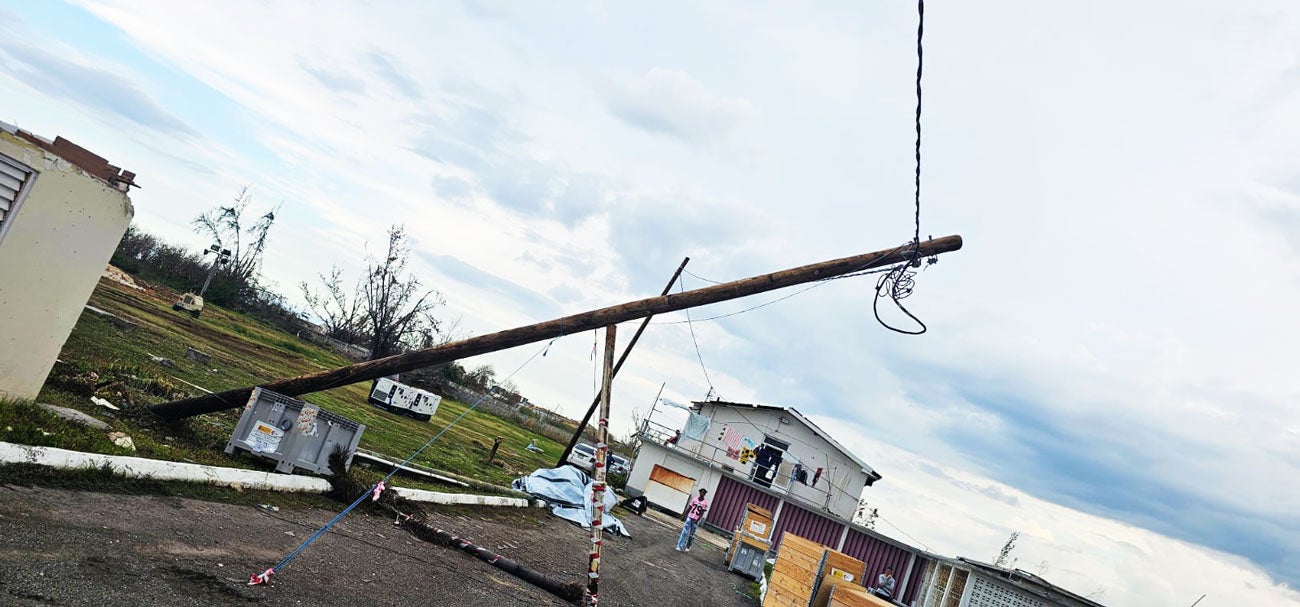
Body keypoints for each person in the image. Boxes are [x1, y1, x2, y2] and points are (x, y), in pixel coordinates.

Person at [676, 488, 709, 552]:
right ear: (699, 492)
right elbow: (689, 508)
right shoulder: (694, 499)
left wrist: (697, 520)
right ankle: (679, 546)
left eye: (704, 493)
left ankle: (688, 546)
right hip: (690, 517)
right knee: (684, 532)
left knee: (691, 534)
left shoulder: (704, 503)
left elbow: (702, 513)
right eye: (701, 492)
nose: (702, 493)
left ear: (705, 494)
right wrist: (684, 515)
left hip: (696, 519)